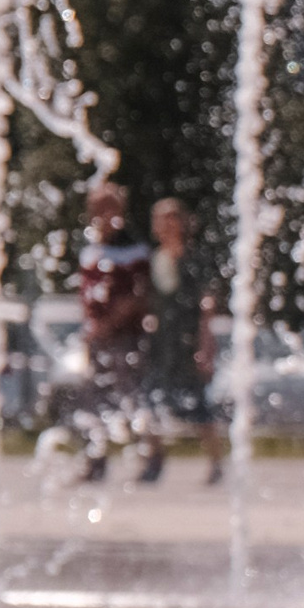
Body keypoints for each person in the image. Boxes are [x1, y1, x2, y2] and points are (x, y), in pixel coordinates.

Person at [138, 198, 223, 485]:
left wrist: (205, 345)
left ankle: (216, 463)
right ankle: (154, 460)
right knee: (150, 403)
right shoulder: (155, 259)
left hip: (188, 345)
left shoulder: (194, 259)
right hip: (161, 345)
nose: (166, 224)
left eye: (172, 218)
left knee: (199, 408)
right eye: (161, 219)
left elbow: (207, 305)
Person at [74, 182, 150, 485]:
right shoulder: (91, 247)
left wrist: (108, 323)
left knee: (131, 398)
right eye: (96, 207)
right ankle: (95, 460)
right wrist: (91, 327)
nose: (100, 213)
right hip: (96, 338)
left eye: (107, 207)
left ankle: (151, 456)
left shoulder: (133, 249)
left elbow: (138, 296)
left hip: (124, 338)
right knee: (93, 401)